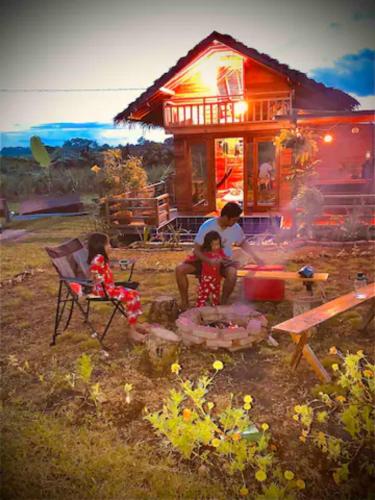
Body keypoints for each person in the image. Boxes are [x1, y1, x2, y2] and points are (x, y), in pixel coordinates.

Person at [176, 202, 264, 310]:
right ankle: (185, 304)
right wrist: (208, 260)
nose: (236, 222)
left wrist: (256, 258)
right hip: (204, 261)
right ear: (226, 217)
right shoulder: (208, 226)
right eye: (234, 219)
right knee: (179, 269)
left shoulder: (235, 228)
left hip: (223, 261)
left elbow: (243, 243)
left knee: (232, 273)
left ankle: (223, 303)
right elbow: (197, 250)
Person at [87, 232, 145, 342]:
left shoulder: (102, 258)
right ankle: (132, 332)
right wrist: (97, 278)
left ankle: (134, 324)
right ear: (99, 246)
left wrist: (117, 265)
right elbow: (93, 269)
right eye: (107, 244)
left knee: (134, 294)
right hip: (104, 291)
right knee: (132, 297)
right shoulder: (98, 258)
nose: (110, 246)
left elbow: (103, 268)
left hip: (109, 288)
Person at [187, 231, 227, 307]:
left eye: (217, 244)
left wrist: (222, 259)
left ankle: (216, 309)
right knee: (203, 295)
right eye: (213, 245)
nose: (216, 247)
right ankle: (199, 308)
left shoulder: (220, 251)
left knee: (216, 295)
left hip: (217, 278)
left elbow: (223, 258)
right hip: (207, 279)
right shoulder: (205, 253)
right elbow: (193, 257)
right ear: (208, 245)